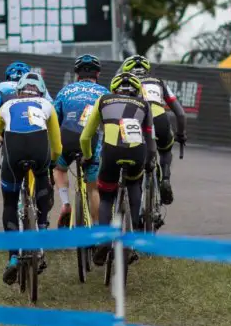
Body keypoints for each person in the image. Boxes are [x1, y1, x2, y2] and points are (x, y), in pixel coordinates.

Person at [0, 72, 62, 285]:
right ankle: (42, 229)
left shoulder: (7, 106)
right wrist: (52, 162)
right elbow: (57, 146)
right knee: (43, 179)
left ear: (18, 92)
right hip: (39, 151)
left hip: (13, 154)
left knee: (10, 202)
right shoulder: (46, 105)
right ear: (41, 92)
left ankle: (14, 257)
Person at [79, 73, 156, 267]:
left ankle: (104, 241)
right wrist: (150, 160)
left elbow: (85, 137)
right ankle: (133, 232)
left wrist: (87, 156)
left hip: (111, 153)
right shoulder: (144, 104)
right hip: (137, 152)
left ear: (114, 89)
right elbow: (150, 139)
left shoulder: (103, 100)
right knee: (135, 183)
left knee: (106, 196)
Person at [120, 55, 187, 205]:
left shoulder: (125, 84)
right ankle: (165, 178)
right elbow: (181, 114)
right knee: (165, 149)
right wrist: (181, 134)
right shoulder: (159, 82)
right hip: (160, 118)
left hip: (139, 120)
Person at [52, 55, 109, 227]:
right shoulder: (105, 93)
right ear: (97, 74)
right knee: (93, 189)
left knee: (59, 168)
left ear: (77, 75)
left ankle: (65, 203)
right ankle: (98, 230)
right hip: (91, 141)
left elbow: (54, 120)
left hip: (67, 137)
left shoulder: (65, 91)